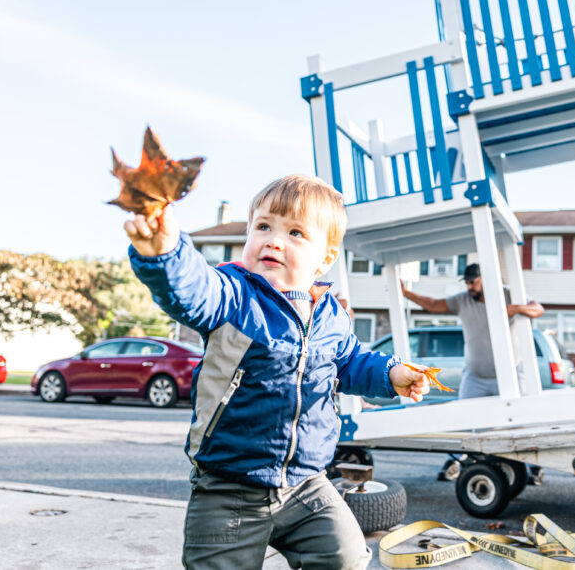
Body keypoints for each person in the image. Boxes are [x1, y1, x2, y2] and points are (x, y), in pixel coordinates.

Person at [125, 174, 429, 570]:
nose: (273, 239)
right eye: (263, 226)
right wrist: (165, 254)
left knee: (347, 556)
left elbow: (350, 361)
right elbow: (193, 290)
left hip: (306, 485)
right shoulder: (234, 296)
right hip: (229, 485)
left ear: (325, 257)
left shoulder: (330, 315)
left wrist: (389, 375)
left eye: (296, 232)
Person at [400, 262, 544, 482]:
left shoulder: (509, 295)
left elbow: (538, 309)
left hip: (510, 375)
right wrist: (406, 293)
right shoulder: (463, 301)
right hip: (475, 376)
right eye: (467, 283)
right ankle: (456, 462)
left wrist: (517, 309)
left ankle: (531, 466)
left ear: (485, 278)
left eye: (473, 282)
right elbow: (433, 305)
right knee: (462, 420)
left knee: (518, 421)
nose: (469, 287)